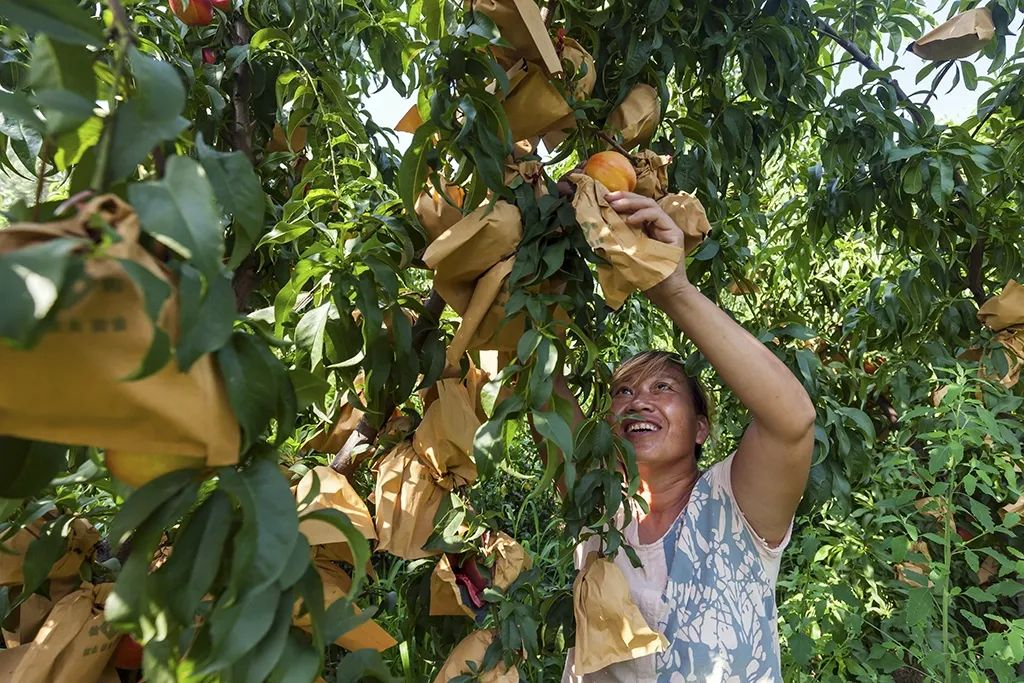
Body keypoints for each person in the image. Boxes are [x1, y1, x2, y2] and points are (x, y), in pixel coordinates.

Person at [556, 190, 816, 682]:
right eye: (623, 391)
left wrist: (671, 286)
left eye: (663, 387)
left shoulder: (736, 505)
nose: (638, 400)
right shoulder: (600, 503)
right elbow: (540, 384)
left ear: (700, 427)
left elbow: (792, 421)